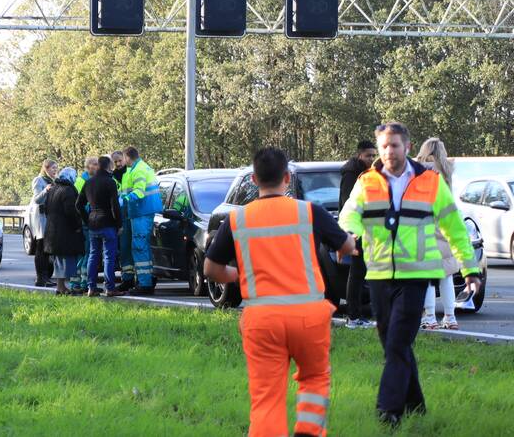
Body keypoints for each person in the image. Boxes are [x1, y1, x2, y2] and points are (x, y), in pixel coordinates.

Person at [205, 147, 356, 437]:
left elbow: (211, 269)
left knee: (266, 397)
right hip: (309, 317)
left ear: (253, 179)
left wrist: (238, 274)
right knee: (314, 379)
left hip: (262, 319)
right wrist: (350, 240)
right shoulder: (308, 211)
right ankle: (308, 432)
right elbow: (345, 246)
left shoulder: (238, 219)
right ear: (287, 177)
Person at [339, 122, 481, 428]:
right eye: (384, 146)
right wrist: (352, 232)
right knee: (394, 343)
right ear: (379, 149)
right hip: (378, 275)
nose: (390, 151)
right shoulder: (366, 182)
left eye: (395, 145)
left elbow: (455, 228)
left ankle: (388, 411)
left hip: (417, 275)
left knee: (398, 343)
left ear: (407, 146)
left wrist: (470, 268)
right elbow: (349, 212)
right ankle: (417, 406)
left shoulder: (430, 182)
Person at [415, 137, 460, 330]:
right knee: (447, 274)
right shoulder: (447, 170)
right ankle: (450, 317)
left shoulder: (418, 170)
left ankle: (430, 317)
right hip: (445, 223)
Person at [339, 140, 378, 329]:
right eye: (368, 155)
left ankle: (356, 315)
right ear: (359, 155)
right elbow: (349, 203)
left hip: (365, 228)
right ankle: (353, 316)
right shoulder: (352, 174)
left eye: (373, 155)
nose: (371, 159)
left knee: (359, 274)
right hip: (355, 229)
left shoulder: (366, 172)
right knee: (356, 274)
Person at [77, 155, 123, 297]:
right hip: (108, 223)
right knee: (109, 256)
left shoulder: (88, 182)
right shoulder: (110, 182)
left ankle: (91, 287)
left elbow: (78, 204)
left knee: (93, 255)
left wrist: (87, 219)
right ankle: (109, 288)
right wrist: (119, 224)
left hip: (93, 224)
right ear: (108, 166)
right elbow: (114, 206)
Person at [119, 146, 162, 295]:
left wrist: (123, 200)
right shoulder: (139, 168)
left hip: (141, 211)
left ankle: (145, 284)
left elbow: (139, 191)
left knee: (139, 246)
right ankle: (147, 279)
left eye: (123, 158)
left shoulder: (138, 170)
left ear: (127, 157)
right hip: (142, 211)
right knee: (143, 246)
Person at [42, 167, 86, 295]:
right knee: (66, 260)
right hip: (65, 231)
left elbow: (46, 209)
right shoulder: (68, 190)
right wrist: (78, 225)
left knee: (58, 261)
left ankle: (60, 287)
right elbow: (71, 212)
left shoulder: (53, 189)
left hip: (52, 230)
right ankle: (62, 287)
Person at [69, 156, 99, 294]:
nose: (97, 166)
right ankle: (80, 282)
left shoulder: (90, 180)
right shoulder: (82, 181)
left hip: (87, 221)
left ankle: (81, 281)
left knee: (86, 253)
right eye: (94, 164)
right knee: (85, 253)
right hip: (84, 221)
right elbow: (78, 204)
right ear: (88, 166)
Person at [110, 150, 136, 291]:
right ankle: (127, 278)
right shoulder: (112, 176)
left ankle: (137, 278)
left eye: (120, 160)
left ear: (124, 159)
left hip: (133, 213)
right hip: (120, 216)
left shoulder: (131, 172)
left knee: (136, 248)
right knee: (124, 249)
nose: (119, 164)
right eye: (116, 162)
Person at [30, 160, 58, 288]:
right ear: (46, 168)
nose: (54, 170)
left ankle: (47, 276)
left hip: (50, 217)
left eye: (56, 168)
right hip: (41, 217)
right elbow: (37, 199)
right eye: (53, 168)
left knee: (47, 249)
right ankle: (40, 277)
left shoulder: (54, 181)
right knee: (41, 248)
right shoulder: (39, 180)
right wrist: (45, 191)